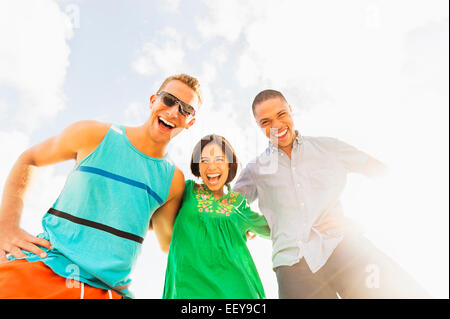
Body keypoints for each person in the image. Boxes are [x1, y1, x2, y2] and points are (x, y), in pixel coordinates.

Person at [0, 74, 202, 299]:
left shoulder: (173, 180)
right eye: (168, 100)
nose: (174, 112)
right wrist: (6, 226)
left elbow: (168, 240)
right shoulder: (94, 134)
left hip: (106, 290)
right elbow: (31, 159)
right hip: (45, 266)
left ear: (190, 122)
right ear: (153, 100)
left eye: (185, 109)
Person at [233, 89, 430, 298]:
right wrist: (250, 226)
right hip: (292, 267)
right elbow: (227, 212)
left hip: (346, 249)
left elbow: (386, 175)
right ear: (258, 126)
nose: (276, 126)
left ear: (290, 110)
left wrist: (361, 223)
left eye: (281, 114)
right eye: (266, 122)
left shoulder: (328, 147)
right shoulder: (255, 170)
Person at [163, 134, 270, 299]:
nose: (211, 167)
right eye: (204, 160)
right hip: (188, 291)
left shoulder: (238, 203)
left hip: (236, 292)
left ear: (229, 165)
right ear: (197, 167)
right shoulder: (186, 191)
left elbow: (274, 227)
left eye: (219, 159)